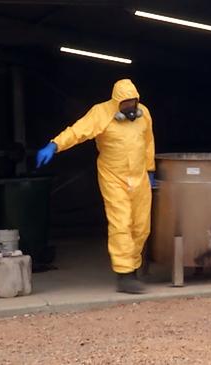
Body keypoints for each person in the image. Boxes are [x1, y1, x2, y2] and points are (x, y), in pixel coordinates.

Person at [36, 79, 155, 294]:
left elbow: (148, 142)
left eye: (132, 103)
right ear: (116, 102)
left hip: (139, 177)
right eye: (125, 104)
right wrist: (54, 145)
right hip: (113, 177)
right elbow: (78, 131)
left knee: (141, 226)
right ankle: (124, 275)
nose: (130, 108)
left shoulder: (144, 113)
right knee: (121, 223)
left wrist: (150, 169)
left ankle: (133, 267)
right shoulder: (100, 113)